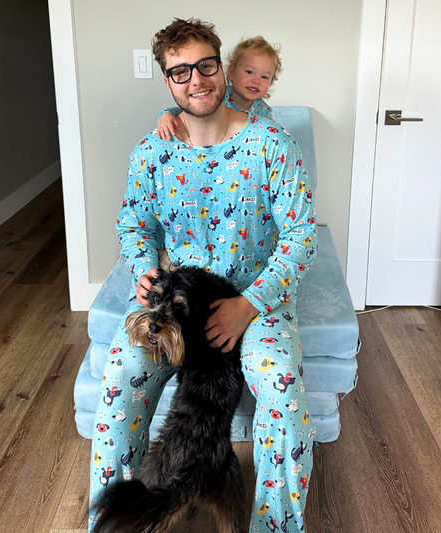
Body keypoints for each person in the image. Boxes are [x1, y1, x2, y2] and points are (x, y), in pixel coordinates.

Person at [88, 17, 318, 533]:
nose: (196, 79)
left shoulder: (273, 145)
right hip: (177, 302)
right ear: (168, 82)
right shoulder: (152, 151)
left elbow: (302, 236)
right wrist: (144, 267)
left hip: (256, 300)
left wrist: (249, 304)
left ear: (222, 66)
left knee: (282, 395)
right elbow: (133, 224)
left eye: (205, 65)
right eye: (180, 71)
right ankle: (112, 525)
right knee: (121, 380)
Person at [156, 35, 281, 140]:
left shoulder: (264, 110)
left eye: (264, 77)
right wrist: (166, 115)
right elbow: (187, 110)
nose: (256, 81)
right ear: (231, 73)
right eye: (249, 72)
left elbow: (267, 134)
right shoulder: (218, 96)